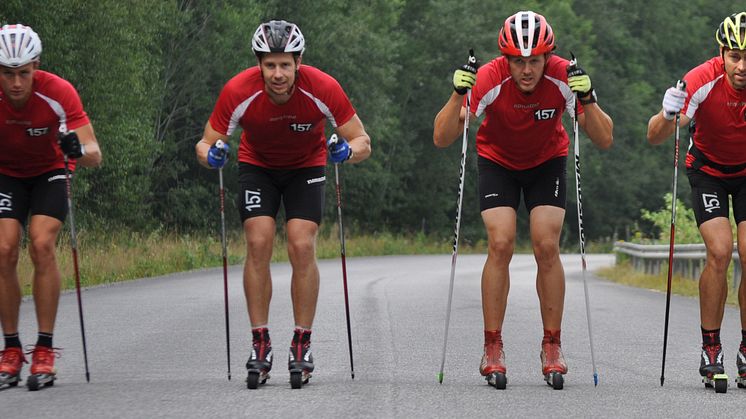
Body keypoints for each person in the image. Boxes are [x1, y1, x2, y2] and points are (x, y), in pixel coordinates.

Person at [433, 10, 613, 388]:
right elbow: (442, 137)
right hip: (497, 161)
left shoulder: (563, 76)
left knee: (547, 245)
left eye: (534, 60)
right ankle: (492, 346)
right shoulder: (489, 78)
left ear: (548, 57)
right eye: (518, 61)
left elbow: (604, 138)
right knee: (500, 243)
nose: (527, 70)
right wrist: (456, 95)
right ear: (506, 59)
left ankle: (552, 345)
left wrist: (589, 98)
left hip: (547, 162)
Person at [195, 19, 371, 388]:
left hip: (305, 167)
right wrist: (213, 155)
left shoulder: (322, 87)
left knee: (301, 244)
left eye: (285, 65)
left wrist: (344, 151)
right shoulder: (238, 90)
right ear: (259, 63)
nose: (277, 74)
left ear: (298, 62)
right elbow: (205, 143)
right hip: (257, 166)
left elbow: (362, 142)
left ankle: (301, 342)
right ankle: (260, 342)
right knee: (258, 241)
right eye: (270, 65)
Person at [0, 24, 102, 388]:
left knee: (42, 244)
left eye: (23, 73)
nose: (15, 83)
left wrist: (77, 149)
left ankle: (44, 348)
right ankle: (11, 349)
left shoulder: (58, 92)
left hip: (49, 171)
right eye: (7, 74)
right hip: (6, 174)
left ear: (36, 67)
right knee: (4, 249)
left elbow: (95, 154)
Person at [647, 12, 746, 386]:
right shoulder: (701, 79)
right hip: (708, 172)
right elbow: (654, 136)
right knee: (720, 251)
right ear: (721, 52)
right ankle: (711, 348)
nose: (742, 65)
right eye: (735, 55)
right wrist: (667, 113)